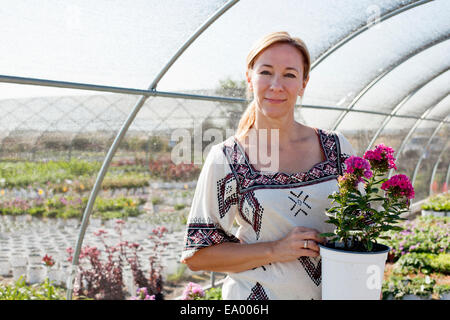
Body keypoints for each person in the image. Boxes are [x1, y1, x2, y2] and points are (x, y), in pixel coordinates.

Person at [180, 31, 356, 300]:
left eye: (289, 74)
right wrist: (276, 249)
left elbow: (363, 224)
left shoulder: (337, 147)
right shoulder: (227, 158)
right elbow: (198, 255)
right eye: (266, 72)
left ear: (303, 83)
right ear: (250, 78)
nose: (276, 85)